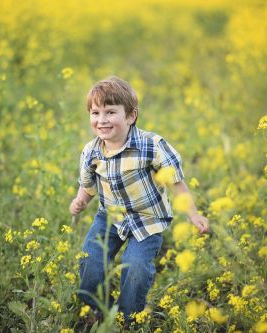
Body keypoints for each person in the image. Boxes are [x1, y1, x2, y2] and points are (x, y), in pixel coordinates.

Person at [69, 76, 209, 324]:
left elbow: (176, 182)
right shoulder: (91, 151)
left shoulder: (150, 146)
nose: (101, 120)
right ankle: (101, 309)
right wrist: (80, 200)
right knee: (90, 265)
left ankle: (127, 319)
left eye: (110, 112)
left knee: (135, 268)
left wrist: (194, 214)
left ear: (131, 116)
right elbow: (87, 185)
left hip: (148, 220)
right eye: (95, 113)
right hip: (110, 217)